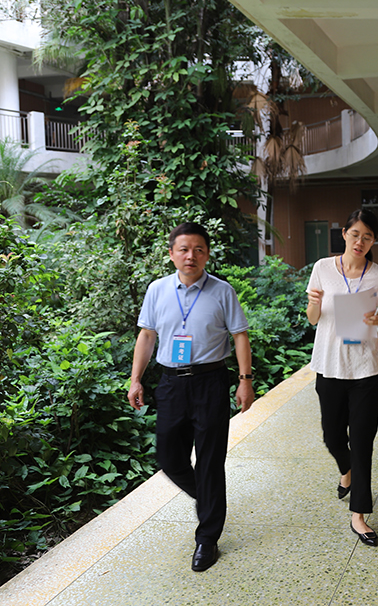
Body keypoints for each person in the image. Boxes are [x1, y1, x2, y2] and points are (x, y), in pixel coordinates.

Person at [127, 222, 254, 572]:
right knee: (168, 456)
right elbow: (147, 336)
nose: (191, 256)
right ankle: (210, 498)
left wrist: (245, 381)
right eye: (183, 249)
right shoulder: (157, 290)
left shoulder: (222, 291)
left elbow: (240, 336)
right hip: (171, 383)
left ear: (207, 254)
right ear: (171, 254)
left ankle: (207, 539)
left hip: (211, 381)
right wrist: (135, 380)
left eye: (198, 249)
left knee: (210, 460)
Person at [306, 209, 378, 547]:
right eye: (355, 234)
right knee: (332, 435)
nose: (360, 241)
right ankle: (347, 471)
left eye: (367, 237)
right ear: (344, 234)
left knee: (362, 441)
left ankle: (359, 514)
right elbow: (313, 319)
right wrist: (314, 303)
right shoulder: (322, 268)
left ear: (373, 241)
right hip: (329, 366)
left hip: (366, 369)